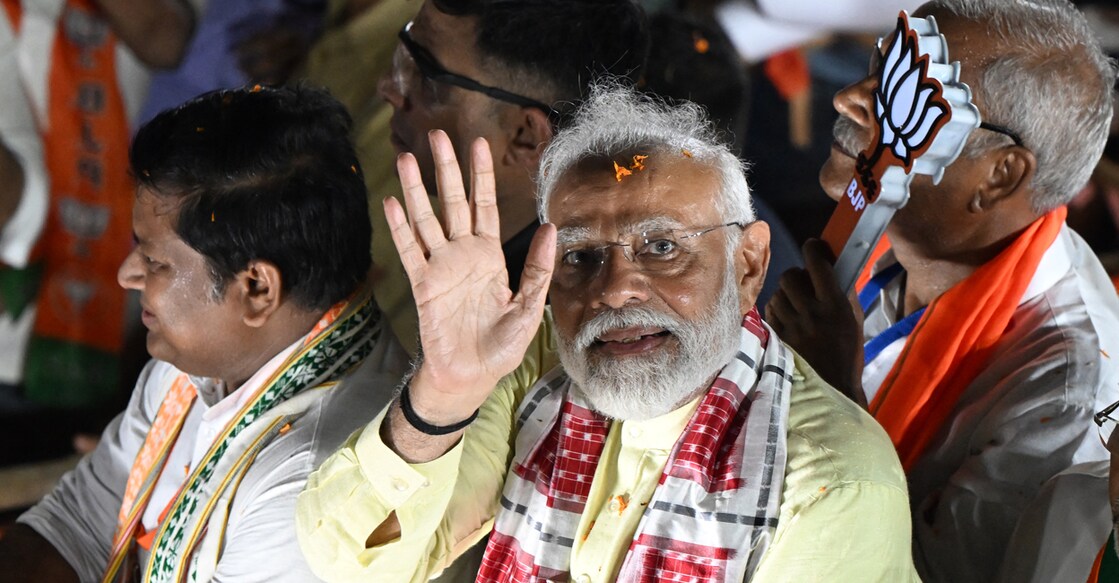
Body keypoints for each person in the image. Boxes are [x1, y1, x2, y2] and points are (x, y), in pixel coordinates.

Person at [297, 84, 919, 582]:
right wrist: (445, 390)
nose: (616, 289)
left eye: (662, 247)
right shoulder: (537, 358)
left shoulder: (830, 481)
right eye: (579, 256)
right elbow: (355, 564)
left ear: (748, 265)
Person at [766, 1, 1119, 581]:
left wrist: (836, 404)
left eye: (906, 95)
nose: (849, 97)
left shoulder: (1061, 393)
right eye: (880, 63)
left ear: (997, 176)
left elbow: (930, 574)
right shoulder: (895, 233)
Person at [0, 85, 410, 582]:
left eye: (153, 261)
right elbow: (75, 526)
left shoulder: (312, 477)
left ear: (256, 288)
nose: (127, 275)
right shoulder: (202, 358)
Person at [369, 0, 649, 352]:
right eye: (404, 55)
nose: (389, 89)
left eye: (426, 77)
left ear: (525, 136)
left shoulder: (537, 343)